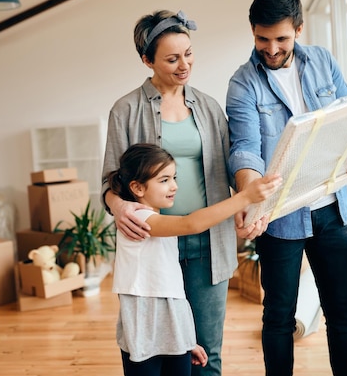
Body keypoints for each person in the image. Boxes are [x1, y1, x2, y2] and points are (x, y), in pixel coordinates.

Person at [225, 0, 347, 376]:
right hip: (279, 218)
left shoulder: (323, 61)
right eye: (262, 38)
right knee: (279, 317)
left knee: (341, 313)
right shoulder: (243, 83)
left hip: (331, 209)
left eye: (282, 38)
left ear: (299, 28)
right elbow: (245, 149)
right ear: (252, 31)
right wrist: (250, 193)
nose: (272, 48)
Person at [102, 9, 239, 375]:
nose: (185, 65)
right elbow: (109, 183)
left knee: (207, 351)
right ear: (147, 60)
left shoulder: (209, 107)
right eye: (172, 58)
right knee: (161, 350)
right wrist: (117, 207)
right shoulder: (125, 110)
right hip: (153, 246)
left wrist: (249, 203)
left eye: (189, 54)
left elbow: (232, 168)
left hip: (208, 242)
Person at [107, 143, 281, 376]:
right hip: (144, 326)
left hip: (174, 327)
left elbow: (173, 294)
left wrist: (186, 340)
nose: (174, 186)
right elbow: (191, 224)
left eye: (174, 177)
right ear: (137, 187)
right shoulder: (137, 218)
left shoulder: (158, 219)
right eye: (164, 180)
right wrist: (245, 196)